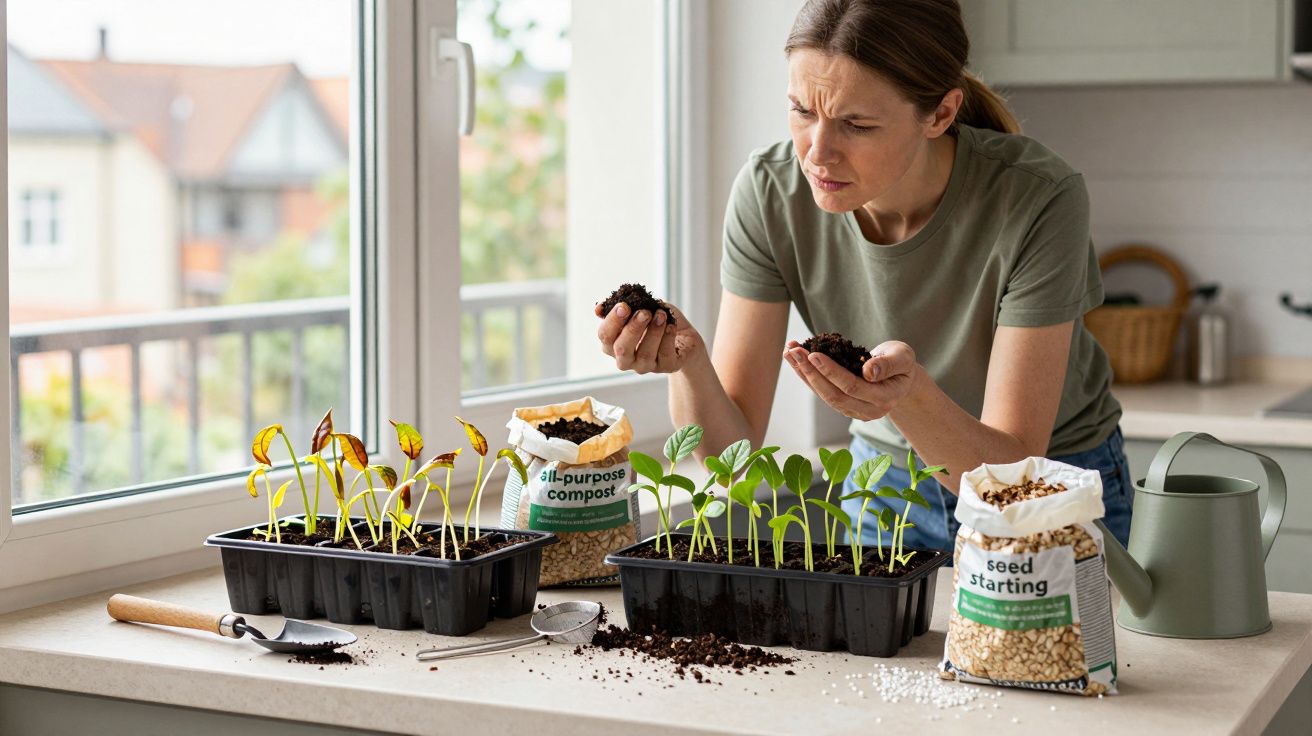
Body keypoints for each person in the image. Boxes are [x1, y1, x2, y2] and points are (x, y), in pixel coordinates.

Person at [593, 0, 1132, 551]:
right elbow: (735, 464)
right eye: (802, 111)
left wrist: (905, 395)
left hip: (1048, 489)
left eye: (856, 124)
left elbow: (1009, 472)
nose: (817, 153)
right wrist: (687, 364)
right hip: (887, 489)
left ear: (941, 115)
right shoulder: (770, 192)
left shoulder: (1037, 196)